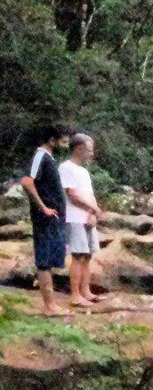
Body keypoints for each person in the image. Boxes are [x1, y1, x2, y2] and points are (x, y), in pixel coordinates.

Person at [20, 123, 73, 315]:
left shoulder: (48, 158)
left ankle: (52, 304)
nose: (66, 146)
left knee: (51, 259)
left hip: (54, 219)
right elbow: (27, 182)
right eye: (64, 142)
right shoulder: (40, 155)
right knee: (44, 261)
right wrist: (44, 208)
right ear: (52, 140)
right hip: (45, 218)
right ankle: (49, 306)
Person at [59, 133, 105, 306]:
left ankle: (86, 291)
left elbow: (90, 195)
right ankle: (75, 295)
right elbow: (72, 195)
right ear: (78, 148)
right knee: (78, 256)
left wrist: (93, 214)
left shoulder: (84, 171)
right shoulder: (66, 167)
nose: (91, 154)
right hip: (74, 217)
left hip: (87, 217)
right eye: (89, 150)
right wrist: (92, 209)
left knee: (87, 256)